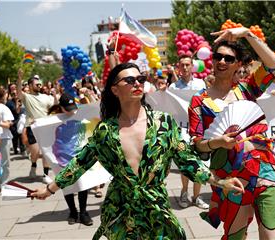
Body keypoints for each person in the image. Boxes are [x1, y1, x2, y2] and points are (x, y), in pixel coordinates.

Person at [31, 62, 244, 239]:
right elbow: (80, 162)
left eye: (140, 79)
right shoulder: (106, 130)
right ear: (115, 90)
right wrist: (49, 189)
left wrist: (218, 181)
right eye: (130, 80)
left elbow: (186, 158)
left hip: (156, 209)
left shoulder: (163, 123)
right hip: (122, 212)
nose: (137, 84)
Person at [188, 27, 275, 239]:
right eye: (218, 56)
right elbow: (197, 143)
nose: (222, 61)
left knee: (272, 235)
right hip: (230, 176)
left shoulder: (247, 89)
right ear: (212, 60)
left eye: (229, 58)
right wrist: (217, 142)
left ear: (239, 64)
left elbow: (273, 65)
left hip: (265, 169)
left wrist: (248, 34)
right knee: (236, 236)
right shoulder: (199, 101)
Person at [47, 92, 93, 225]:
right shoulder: (52, 119)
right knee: (66, 185)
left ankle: (83, 212)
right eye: (68, 109)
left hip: (79, 154)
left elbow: (93, 112)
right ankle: (73, 211)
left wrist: (87, 97)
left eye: (73, 108)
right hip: (61, 157)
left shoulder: (79, 113)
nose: (71, 112)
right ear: (61, 108)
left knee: (83, 184)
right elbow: (45, 132)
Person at [169, 54, 209, 209]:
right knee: (185, 163)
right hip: (182, 130)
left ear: (192, 66)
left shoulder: (200, 84)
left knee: (199, 164)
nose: (185, 68)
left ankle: (197, 197)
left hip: (198, 129)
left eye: (187, 65)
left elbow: (207, 104)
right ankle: (184, 194)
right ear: (178, 68)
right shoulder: (173, 88)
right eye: (182, 65)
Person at [16, 69, 58, 183]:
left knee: (45, 152)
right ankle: (33, 165)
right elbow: (18, 92)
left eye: (40, 83)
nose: (39, 85)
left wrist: (54, 96)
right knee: (35, 151)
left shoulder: (45, 96)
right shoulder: (26, 97)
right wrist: (19, 78)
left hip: (45, 127)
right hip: (32, 127)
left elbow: (55, 106)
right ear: (30, 85)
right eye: (36, 83)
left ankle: (45, 174)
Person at [0, 88, 14, 190]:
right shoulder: (4, 108)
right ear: (3, 96)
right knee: (5, 163)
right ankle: (4, 185)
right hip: (4, 138)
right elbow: (8, 124)